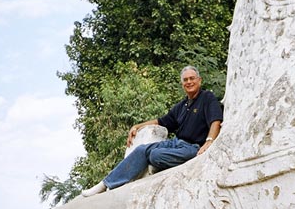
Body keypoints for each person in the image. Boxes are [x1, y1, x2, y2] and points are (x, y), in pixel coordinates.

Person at [81, 66, 223, 197]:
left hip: (193, 148)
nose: (189, 82)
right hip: (175, 144)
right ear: (182, 84)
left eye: (192, 78)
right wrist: (137, 126)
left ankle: (158, 164)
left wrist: (209, 142)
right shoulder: (181, 105)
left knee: (155, 155)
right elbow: (160, 122)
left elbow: (215, 120)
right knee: (142, 149)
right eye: (185, 80)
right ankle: (105, 184)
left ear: (199, 80)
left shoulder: (207, 98)